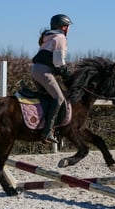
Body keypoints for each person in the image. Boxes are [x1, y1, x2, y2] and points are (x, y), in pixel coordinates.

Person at [31, 14, 73, 144]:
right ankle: (48, 131)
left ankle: (39, 127)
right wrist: (69, 76)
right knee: (59, 98)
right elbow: (59, 63)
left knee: (46, 98)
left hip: (35, 70)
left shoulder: (48, 36)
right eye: (68, 26)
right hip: (44, 72)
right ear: (64, 27)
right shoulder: (60, 38)